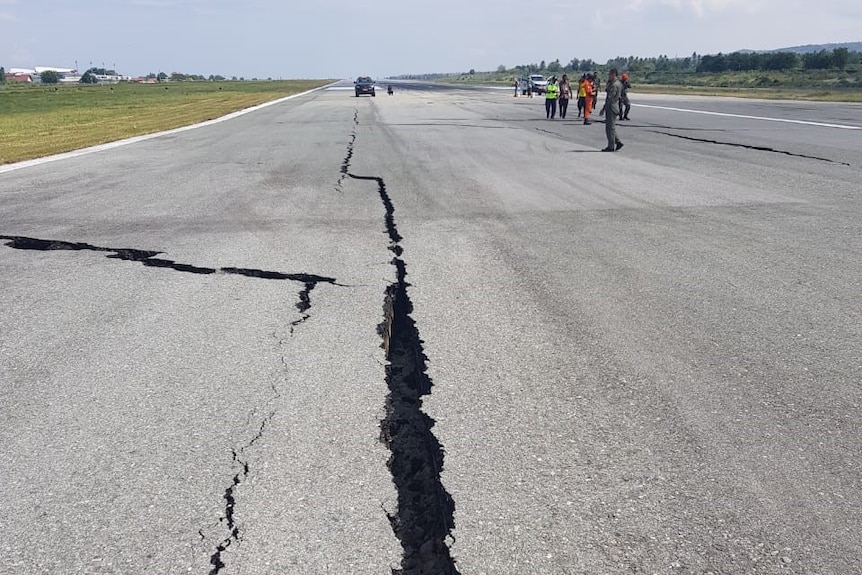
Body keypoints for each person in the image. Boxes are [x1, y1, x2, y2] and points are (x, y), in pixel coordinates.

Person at [599, 68, 624, 152]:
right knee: (611, 127)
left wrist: (603, 108)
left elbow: (610, 98)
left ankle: (611, 146)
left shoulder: (614, 85)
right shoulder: (618, 83)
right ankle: (618, 142)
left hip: (611, 107)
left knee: (610, 128)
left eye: (609, 74)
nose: (608, 76)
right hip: (615, 106)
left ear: (613, 74)